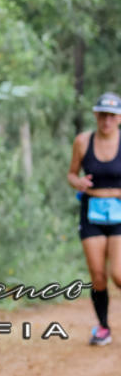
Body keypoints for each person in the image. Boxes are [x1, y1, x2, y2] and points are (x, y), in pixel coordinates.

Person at [67, 91, 121, 346]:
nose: (106, 120)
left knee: (118, 275)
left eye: (112, 116)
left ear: (119, 118)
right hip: (92, 212)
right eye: (102, 115)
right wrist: (78, 182)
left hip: (120, 213)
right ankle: (103, 327)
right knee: (98, 275)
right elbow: (71, 174)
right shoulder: (82, 141)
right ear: (96, 115)